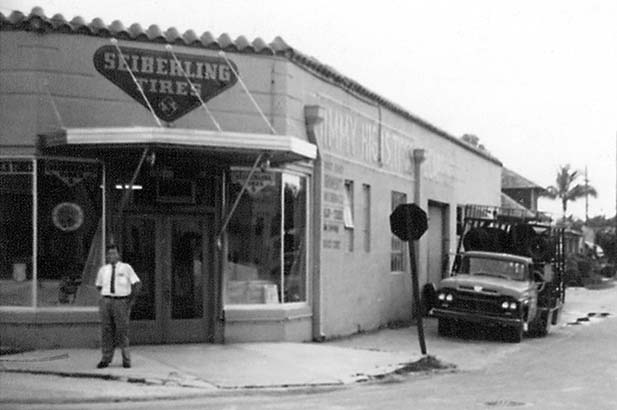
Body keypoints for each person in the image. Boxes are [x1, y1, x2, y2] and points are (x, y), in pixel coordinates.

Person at [95, 244, 141, 369]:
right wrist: (106, 297)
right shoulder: (103, 270)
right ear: (106, 256)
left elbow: (136, 283)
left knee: (122, 330)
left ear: (118, 254)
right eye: (109, 254)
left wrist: (131, 300)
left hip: (121, 302)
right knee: (106, 330)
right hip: (106, 301)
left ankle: (126, 359)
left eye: (114, 253)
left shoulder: (126, 268)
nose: (112, 256)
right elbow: (99, 286)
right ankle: (106, 358)